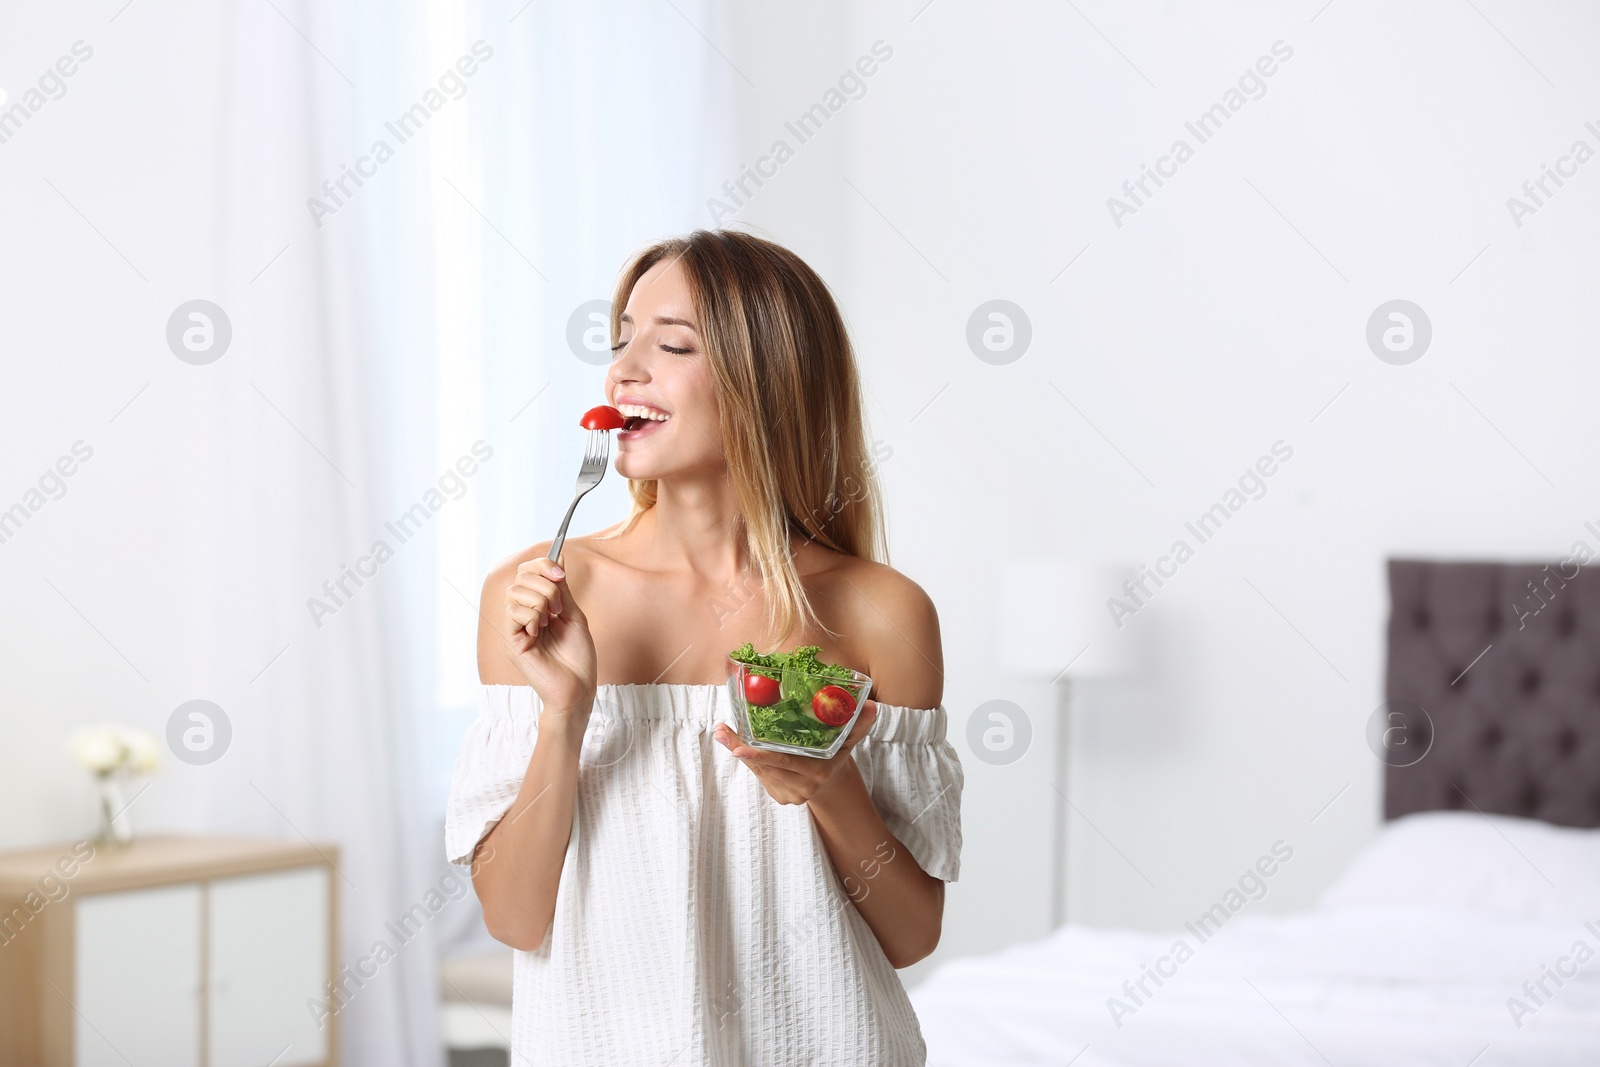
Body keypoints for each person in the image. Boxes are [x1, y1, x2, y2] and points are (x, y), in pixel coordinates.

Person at [445, 228, 964, 1066]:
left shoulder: (881, 613)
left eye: (673, 343)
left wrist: (832, 788)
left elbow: (910, 934)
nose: (624, 370)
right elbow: (513, 916)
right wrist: (564, 714)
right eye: (621, 341)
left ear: (770, 382)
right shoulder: (541, 599)